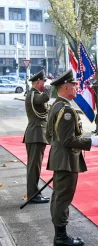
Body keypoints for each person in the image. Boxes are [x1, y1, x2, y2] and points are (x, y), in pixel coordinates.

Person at [46, 69, 98, 246]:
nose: (77, 87)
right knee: (63, 197)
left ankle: (59, 234)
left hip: (60, 157)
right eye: (74, 85)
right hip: (66, 159)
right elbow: (68, 140)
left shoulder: (56, 106)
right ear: (65, 86)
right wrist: (89, 141)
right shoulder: (66, 110)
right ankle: (61, 237)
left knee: (59, 196)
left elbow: (50, 135)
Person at [23, 70, 51, 203]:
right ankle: (33, 195)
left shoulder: (35, 94)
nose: (44, 84)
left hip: (38, 134)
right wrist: (49, 90)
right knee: (34, 167)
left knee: (35, 166)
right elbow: (43, 98)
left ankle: (34, 193)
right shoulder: (33, 94)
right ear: (37, 81)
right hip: (35, 134)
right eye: (43, 82)